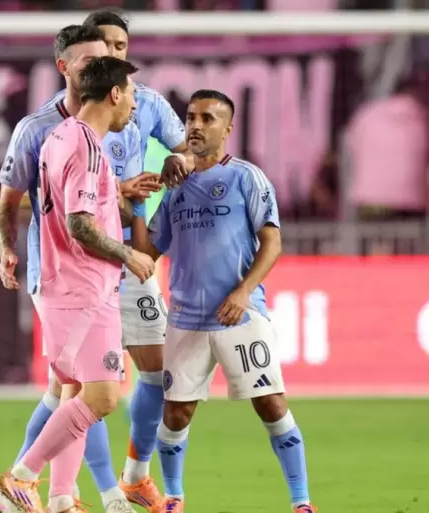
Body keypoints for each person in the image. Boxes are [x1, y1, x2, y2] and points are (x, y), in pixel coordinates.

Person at [0, 24, 157, 513]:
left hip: (65, 285)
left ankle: (62, 499)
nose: (134, 104)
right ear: (114, 93)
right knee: (103, 397)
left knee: (74, 393)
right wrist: (128, 254)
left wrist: (117, 196)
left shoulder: (62, 136)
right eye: (131, 94)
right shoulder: (86, 146)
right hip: (83, 287)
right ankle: (21, 477)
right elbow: (80, 224)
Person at [41, 11, 195, 509]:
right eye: (105, 47)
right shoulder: (51, 124)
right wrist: (113, 195)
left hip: (128, 255)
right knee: (82, 389)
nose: (114, 55)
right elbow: (31, 201)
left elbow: (187, 152)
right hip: (84, 263)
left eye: (121, 46)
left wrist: (176, 161)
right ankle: (64, 487)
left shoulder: (143, 102)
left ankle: (130, 476)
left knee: (153, 372)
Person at [135, 90, 315, 513]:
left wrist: (244, 290)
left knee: (271, 404)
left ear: (228, 128)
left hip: (240, 316)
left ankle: (302, 502)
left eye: (207, 119)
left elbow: (272, 242)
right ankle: (174, 498)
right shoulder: (175, 189)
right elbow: (148, 253)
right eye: (190, 118)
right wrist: (138, 204)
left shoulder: (246, 177)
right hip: (185, 319)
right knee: (176, 415)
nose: (196, 126)